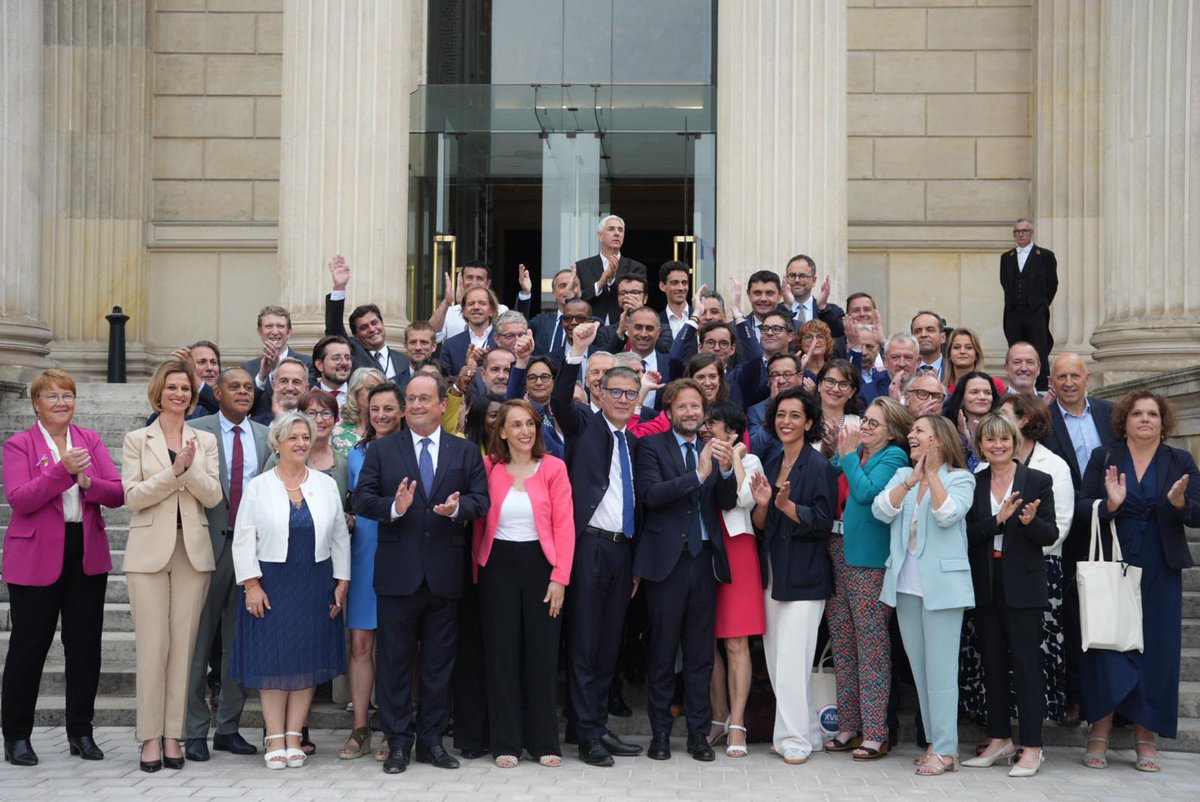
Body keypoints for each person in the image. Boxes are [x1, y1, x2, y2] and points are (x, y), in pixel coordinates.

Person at [352, 373, 490, 775]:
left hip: (445, 574)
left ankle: (431, 742)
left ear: (441, 405)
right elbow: (362, 499)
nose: (415, 406)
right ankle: (398, 743)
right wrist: (394, 508)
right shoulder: (383, 449)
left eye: (424, 399)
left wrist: (458, 509)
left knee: (437, 664)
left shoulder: (464, 452)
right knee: (394, 663)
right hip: (398, 574)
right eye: (410, 399)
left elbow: (482, 500)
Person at [1, 370, 124, 766]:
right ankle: (17, 735)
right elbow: (21, 499)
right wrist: (63, 471)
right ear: (36, 403)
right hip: (35, 556)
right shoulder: (19, 445)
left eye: (67, 395)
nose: (60, 403)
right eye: (51, 396)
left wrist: (87, 482)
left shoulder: (89, 439)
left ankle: (81, 732)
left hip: (84, 552)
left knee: (85, 648)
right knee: (28, 648)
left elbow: (117, 492)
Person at [1079, 391, 1199, 773]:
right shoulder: (1105, 457)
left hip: (1161, 565)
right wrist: (1110, 505)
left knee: (1157, 651)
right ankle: (1100, 729)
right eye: (1137, 414)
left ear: (1163, 422)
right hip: (1117, 561)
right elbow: (1083, 507)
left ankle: (1145, 736)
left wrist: (1180, 504)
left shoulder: (1179, 460)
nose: (1145, 419)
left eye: (1152, 414)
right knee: (1109, 644)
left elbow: (1197, 513)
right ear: (1124, 420)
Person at [229, 412, 350, 769]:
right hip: (271, 582)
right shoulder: (259, 485)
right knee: (273, 658)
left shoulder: (325, 484)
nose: (300, 443)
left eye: (305, 437)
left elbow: (340, 536)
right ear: (277, 443)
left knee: (305, 658)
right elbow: (242, 538)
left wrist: (342, 582)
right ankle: (274, 734)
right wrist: (251, 584)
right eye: (293, 437)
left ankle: (295, 734)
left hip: (315, 580)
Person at [122, 360, 223, 772]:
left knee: (183, 649)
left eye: (185, 388)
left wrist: (191, 466)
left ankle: (172, 736)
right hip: (147, 553)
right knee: (153, 647)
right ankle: (148, 736)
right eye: (172, 387)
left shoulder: (205, 439)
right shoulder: (136, 439)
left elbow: (213, 495)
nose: (179, 394)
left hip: (193, 552)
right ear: (158, 392)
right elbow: (133, 497)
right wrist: (174, 471)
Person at [552, 320, 643, 766]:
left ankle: (596, 725)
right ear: (601, 394)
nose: (624, 400)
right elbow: (558, 402)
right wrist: (575, 351)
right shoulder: (585, 426)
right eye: (617, 392)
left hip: (621, 551)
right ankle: (586, 733)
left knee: (609, 644)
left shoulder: (634, 442)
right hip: (587, 547)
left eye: (632, 393)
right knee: (585, 643)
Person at [636, 379, 738, 763]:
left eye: (697, 406)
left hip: (704, 560)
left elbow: (725, 503)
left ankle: (698, 733)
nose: (691, 413)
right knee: (663, 652)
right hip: (666, 563)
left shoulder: (712, 447)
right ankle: (660, 732)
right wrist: (697, 475)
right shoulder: (650, 446)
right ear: (669, 410)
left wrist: (726, 472)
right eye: (683, 406)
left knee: (700, 655)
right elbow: (651, 495)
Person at [472, 400, 575, 768]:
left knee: (543, 655)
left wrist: (560, 577)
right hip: (497, 566)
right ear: (501, 432)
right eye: (515, 425)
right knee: (502, 657)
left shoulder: (554, 468)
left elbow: (565, 526)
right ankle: (506, 742)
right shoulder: (487, 467)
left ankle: (545, 740)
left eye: (530, 424)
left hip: (541, 567)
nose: (525, 431)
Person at [872, 414, 976, 776]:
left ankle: (946, 749)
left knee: (942, 671)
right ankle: (936, 742)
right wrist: (912, 479)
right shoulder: (903, 475)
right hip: (905, 585)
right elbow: (880, 510)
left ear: (939, 440)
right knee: (921, 671)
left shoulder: (961, 478)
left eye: (919, 431)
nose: (911, 436)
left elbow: (948, 514)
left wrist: (931, 474)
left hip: (944, 588)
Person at [183, 368, 271, 763]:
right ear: (216, 392)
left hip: (249, 550)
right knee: (199, 642)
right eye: (233, 386)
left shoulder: (265, 436)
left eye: (248, 388)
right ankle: (195, 729)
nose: (242, 392)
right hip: (206, 545)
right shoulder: (196, 429)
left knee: (240, 643)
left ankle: (230, 728)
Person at [962, 413, 1057, 777]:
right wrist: (998, 521)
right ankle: (999, 738)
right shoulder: (973, 482)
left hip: (1024, 584)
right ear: (980, 445)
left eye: (1004, 439)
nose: (997, 445)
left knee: (1027, 667)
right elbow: (968, 535)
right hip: (986, 581)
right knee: (992, 664)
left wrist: (1031, 523)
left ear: (1014, 442)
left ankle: (1032, 747)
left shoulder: (1037, 480)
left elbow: (1050, 536)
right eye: (990, 440)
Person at [748, 387, 837, 765]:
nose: (786, 421)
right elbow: (759, 523)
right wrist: (768, 506)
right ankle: (809, 733)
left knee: (792, 660)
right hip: (772, 572)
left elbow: (821, 522)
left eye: (795, 415)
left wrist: (789, 507)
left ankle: (795, 738)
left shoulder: (819, 467)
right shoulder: (772, 462)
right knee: (774, 659)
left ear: (810, 421)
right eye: (781, 415)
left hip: (805, 576)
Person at [824, 397, 912, 761]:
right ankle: (848, 724)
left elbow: (865, 492)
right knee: (843, 643)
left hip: (869, 560)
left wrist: (846, 454)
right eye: (865, 422)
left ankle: (876, 732)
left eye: (874, 424)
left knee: (872, 646)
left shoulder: (894, 457)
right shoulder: (853, 451)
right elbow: (832, 484)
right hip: (836, 550)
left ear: (891, 431)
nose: (865, 429)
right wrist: (839, 452)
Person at [1043, 352, 1116, 725]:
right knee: (1071, 615)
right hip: (1068, 530)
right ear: (1051, 382)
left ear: (1087, 378)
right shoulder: (1045, 420)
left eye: (1075, 375)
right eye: (1061, 377)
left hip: (1110, 526)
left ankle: (1113, 700)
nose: (1069, 382)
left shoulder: (1110, 413)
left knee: (1111, 610)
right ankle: (1073, 696)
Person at [339, 383, 403, 762]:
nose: (381, 415)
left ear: (402, 411)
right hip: (363, 552)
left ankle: (393, 727)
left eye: (388, 408)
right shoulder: (356, 453)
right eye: (375, 409)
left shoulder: (411, 450)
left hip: (401, 551)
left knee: (399, 646)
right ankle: (360, 726)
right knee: (361, 642)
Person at [701, 401, 765, 759]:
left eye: (716, 424)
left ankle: (737, 723)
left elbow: (740, 500)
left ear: (734, 432)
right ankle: (718, 716)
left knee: (736, 643)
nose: (708, 429)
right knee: (705, 641)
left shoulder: (751, 461)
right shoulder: (694, 455)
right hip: (704, 549)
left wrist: (735, 459)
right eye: (707, 423)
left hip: (737, 549)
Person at [325, 255, 411, 380]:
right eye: (364, 327)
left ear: (382, 324)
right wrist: (339, 288)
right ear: (355, 335)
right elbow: (334, 330)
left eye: (375, 323)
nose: (372, 329)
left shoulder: (404, 360)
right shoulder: (351, 353)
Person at [1000, 218, 1057, 391]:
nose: (1020, 234)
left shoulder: (1045, 256)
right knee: (1015, 349)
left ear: (1031, 232)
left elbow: (1052, 284)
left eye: (1024, 231)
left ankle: (1041, 388)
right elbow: (1005, 283)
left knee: (1039, 349)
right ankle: (1016, 386)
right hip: (1013, 312)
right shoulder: (1006, 258)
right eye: (1017, 232)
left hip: (1035, 312)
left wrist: (1039, 303)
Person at [575, 214, 648, 326]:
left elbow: (637, 300)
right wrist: (601, 283)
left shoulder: (636, 268)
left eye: (620, 230)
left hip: (625, 328)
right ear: (600, 236)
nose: (617, 233)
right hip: (590, 329)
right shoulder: (582, 267)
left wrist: (612, 281)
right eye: (611, 229)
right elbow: (578, 301)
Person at [243, 306, 314, 418]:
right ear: (260, 331)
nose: (275, 332)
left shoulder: (307, 363)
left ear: (289, 332)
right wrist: (261, 377)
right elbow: (244, 407)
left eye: (280, 326)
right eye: (269, 326)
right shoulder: (248, 368)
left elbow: (309, 402)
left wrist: (276, 369)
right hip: (260, 432)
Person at [431, 261, 512, 344]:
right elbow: (430, 337)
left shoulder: (501, 310)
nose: (474, 283)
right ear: (461, 281)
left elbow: (511, 339)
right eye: (469, 278)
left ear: (488, 283)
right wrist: (446, 302)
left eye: (479, 279)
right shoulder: (449, 312)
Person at [513, 266, 579, 360]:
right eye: (563, 286)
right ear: (554, 293)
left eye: (572, 286)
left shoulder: (585, 322)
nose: (567, 290)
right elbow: (517, 326)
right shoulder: (541, 321)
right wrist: (526, 292)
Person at [944, 371, 1002, 470]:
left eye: (987, 393)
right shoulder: (947, 432)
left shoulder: (1003, 430)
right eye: (974, 392)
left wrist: (973, 441)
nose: (982, 397)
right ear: (962, 398)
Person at [781, 254, 845, 339]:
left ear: (814, 281)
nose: (797, 280)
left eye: (802, 276)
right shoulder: (777, 311)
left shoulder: (832, 311)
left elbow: (838, 333)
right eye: (792, 276)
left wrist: (822, 308)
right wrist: (786, 308)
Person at [331, 367, 386, 456]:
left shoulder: (391, 430)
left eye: (380, 389)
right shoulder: (338, 431)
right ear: (355, 392)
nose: (375, 393)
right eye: (370, 389)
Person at [815, 359, 863, 459]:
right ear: (819, 385)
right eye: (830, 381)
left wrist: (836, 452)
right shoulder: (804, 421)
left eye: (844, 384)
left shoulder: (859, 426)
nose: (836, 389)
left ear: (852, 392)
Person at [944, 328, 1006, 396]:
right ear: (949, 354)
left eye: (969, 347)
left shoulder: (995, 384)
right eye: (956, 347)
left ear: (977, 354)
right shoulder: (942, 389)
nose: (962, 351)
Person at [252, 357, 309, 425]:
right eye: (284, 381)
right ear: (273, 386)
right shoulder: (255, 424)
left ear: (306, 388)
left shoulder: (316, 424)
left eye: (296, 382)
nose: (289, 388)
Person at [312, 335, 354, 406]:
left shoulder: (358, 396)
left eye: (347, 358)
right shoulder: (309, 395)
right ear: (320, 364)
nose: (344, 363)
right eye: (336, 358)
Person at [910, 312, 947, 381]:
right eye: (917, 331)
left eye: (930, 330)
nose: (923, 335)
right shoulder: (905, 369)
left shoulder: (954, 370)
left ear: (942, 338)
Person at [796, 319, 834, 384]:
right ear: (800, 343)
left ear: (827, 342)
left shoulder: (835, 370)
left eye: (820, 337)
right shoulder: (794, 370)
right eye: (809, 337)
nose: (815, 341)